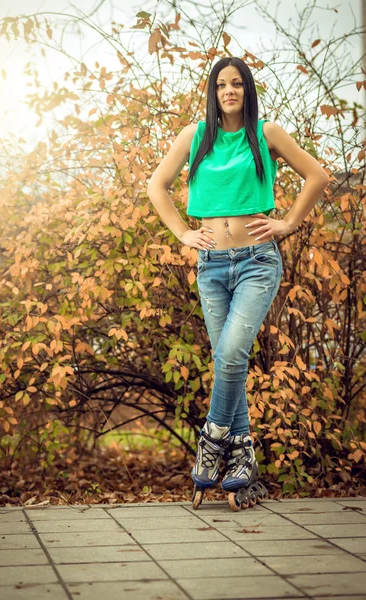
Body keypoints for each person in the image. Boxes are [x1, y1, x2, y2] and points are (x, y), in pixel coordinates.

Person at [147, 56, 329, 508]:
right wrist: (183, 233)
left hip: (256, 262)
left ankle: (211, 443)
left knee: (230, 354)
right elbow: (157, 186)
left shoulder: (265, 133)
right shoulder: (195, 136)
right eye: (221, 85)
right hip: (210, 265)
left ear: (247, 90)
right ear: (212, 92)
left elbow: (318, 176)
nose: (229, 91)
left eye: (237, 84)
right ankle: (243, 453)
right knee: (230, 362)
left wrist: (287, 223)